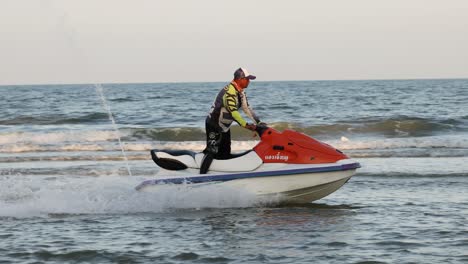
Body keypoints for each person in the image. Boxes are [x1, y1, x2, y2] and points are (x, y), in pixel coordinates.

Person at [200, 67, 262, 174]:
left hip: (224, 126)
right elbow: (233, 112)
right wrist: (246, 125)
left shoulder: (240, 92)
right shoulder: (230, 91)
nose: (249, 81)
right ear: (240, 79)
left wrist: (259, 122)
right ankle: (201, 176)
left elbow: (247, 108)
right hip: (214, 125)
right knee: (212, 151)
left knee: (225, 152)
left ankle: (220, 174)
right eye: (247, 79)